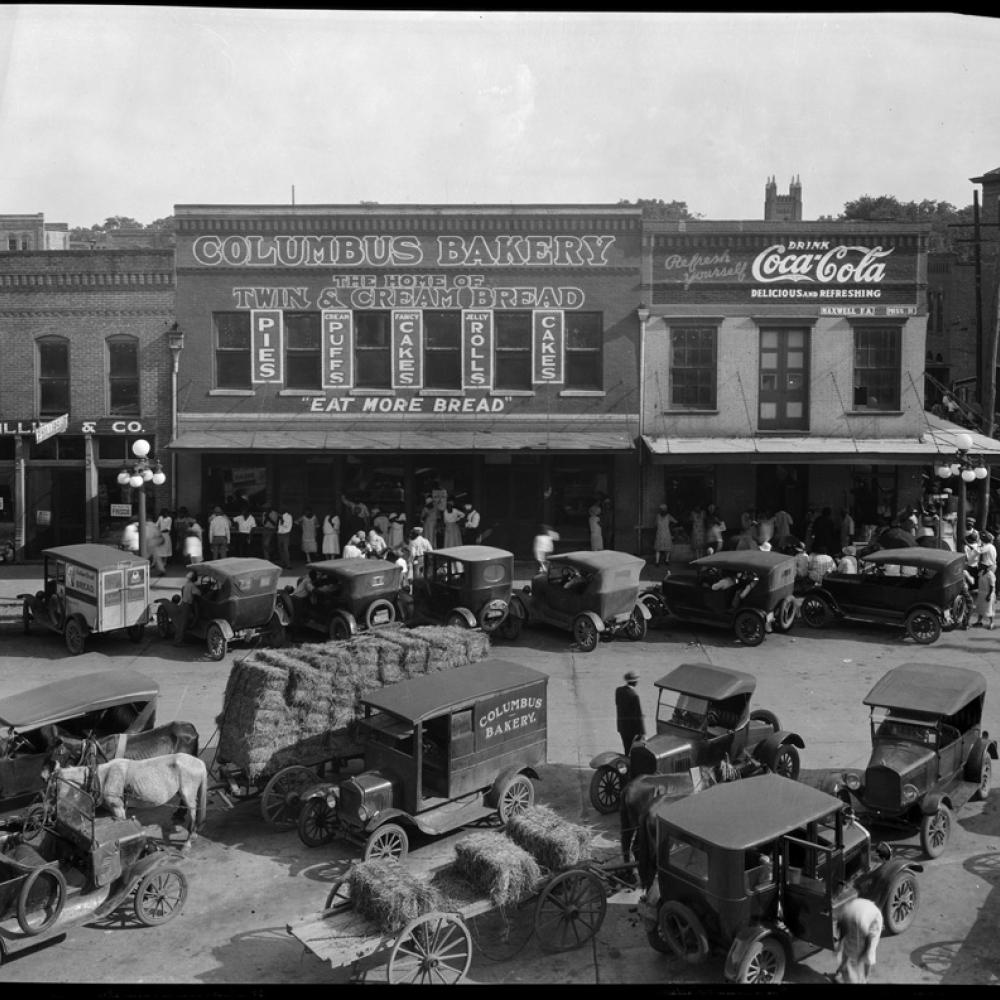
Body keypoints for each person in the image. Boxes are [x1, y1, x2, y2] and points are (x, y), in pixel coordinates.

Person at [832, 896, 883, 984]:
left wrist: (863, 954)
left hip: (873, 919)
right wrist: (840, 944)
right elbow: (842, 931)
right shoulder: (844, 915)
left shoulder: (862, 924)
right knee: (848, 946)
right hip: (858, 910)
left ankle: (866, 979)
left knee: (868, 954)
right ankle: (841, 969)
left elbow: (869, 940)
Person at [615, 670, 646, 756]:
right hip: (632, 730)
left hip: (622, 726)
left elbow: (618, 704)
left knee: (626, 747)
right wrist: (642, 732)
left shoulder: (618, 691)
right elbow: (638, 715)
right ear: (635, 682)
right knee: (635, 750)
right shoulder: (634, 696)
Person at [173, 569, 201, 646]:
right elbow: (198, 593)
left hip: (184, 604)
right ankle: (177, 642)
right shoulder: (192, 585)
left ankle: (179, 640)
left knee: (183, 623)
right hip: (187, 606)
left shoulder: (187, 584)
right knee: (182, 624)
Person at [975, 529, 996, 629]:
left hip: (987, 593)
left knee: (988, 608)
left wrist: (978, 542)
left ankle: (991, 622)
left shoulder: (987, 547)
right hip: (982, 592)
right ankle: (979, 621)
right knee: (980, 607)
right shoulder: (991, 546)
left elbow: (978, 550)